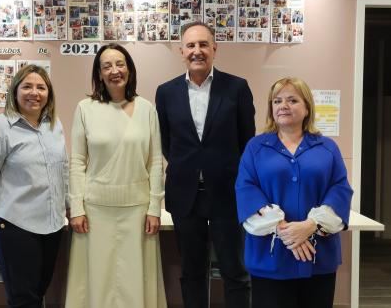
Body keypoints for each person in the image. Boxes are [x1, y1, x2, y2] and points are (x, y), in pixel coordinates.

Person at [155, 22, 255, 308]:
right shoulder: (166, 92)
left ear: (214, 48)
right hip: (186, 194)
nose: (196, 51)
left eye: (203, 45)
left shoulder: (237, 87)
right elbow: (166, 141)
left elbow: (247, 140)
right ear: (181, 51)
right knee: (192, 271)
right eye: (190, 45)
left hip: (227, 193)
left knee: (234, 270)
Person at [235, 77, 353, 308]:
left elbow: (340, 189)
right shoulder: (255, 147)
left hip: (318, 257)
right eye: (277, 100)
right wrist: (286, 231)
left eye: (292, 100)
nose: (283, 105)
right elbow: (245, 189)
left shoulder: (327, 147)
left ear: (307, 107)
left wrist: (310, 226)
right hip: (270, 259)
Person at [65, 43, 166, 308]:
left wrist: (155, 207)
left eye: (120, 64)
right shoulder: (85, 108)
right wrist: (76, 207)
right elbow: (76, 162)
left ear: (130, 70)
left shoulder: (147, 109)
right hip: (95, 210)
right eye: (106, 66)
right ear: (99, 74)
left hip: (138, 210)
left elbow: (155, 162)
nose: (114, 71)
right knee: (97, 280)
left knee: (135, 279)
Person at [0, 64, 67, 308]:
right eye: (27, 86)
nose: (34, 92)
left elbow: (63, 172)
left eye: (41, 87)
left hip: (52, 225)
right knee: (23, 299)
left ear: (49, 94)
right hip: (15, 225)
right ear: (15, 91)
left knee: (37, 294)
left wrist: (71, 208)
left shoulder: (54, 126)